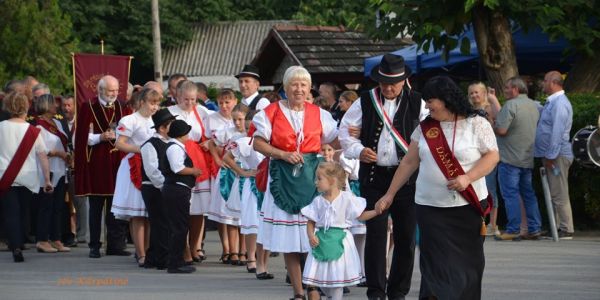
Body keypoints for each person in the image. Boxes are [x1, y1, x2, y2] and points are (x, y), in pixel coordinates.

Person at [376, 76, 499, 300]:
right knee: (435, 265)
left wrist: (467, 177)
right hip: (429, 208)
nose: (427, 106)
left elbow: (492, 156)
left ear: (447, 99)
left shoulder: (476, 123)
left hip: (467, 207)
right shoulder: (426, 128)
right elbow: (409, 162)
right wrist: (390, 194)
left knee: (467, 265)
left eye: (431, 100)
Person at [339, 53, 428, 300]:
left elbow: (431, 135)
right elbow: (345, 132)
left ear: (403, 81)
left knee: (406, 237)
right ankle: (376, 291)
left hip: (408, 180)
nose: (388, 88)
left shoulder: (419, 102)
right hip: (375, 178)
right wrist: (358, 150)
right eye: (384, 83)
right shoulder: (365, 101)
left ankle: (398, 292)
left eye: (393, 83)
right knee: (376, 235)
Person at [252, 65, 338, 300]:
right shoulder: (270, 112)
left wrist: (331, 152)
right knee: (290, 238)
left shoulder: (320, 114)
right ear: (285, 88)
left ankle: (312, 285)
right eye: (294, 84)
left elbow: (334, 139)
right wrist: (282, 154)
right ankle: (299, 290)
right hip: (282, 174)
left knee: (314, 234)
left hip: (313, 177)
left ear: (309, 88)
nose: (299, 89)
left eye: (303, 85)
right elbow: (257, 143)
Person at [302, 162, 379, 300]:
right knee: (320, 278)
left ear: (332, 181)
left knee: (337, 279)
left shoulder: (347, 198)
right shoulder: (318, 201)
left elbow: (360, 215)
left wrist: (376, 211)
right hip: (321, 241)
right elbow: (311, 221)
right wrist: (310, 236)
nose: (316, 182)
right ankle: (329, 296)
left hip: (341, 242)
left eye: (319, 179)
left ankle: (335, 297)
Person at [74, 75, 130, 259]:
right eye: (110, 90)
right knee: (96, 207)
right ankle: (94, 246)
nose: (114, 94)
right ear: (100, 90)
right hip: (96, 163)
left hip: (116, 163)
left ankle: (116, 245)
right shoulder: (87, 107)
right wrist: (100, 138)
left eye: (116, 90)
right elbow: (80, 138)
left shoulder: (122, 107)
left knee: (116, 207)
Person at [111, 88, 161, 266]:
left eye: (157, 103)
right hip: (134, 166)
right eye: (152, 103)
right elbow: (120, 143)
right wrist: (142, 149)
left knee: (148, 213)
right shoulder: (130, 120)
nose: (155, 107)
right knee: (137, 212)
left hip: (151, 166)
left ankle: (148, 251)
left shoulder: (155, 120)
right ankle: (140, 254)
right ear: (141, 102)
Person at [0, 92, 53, 262]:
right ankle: (19, 242)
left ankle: (15, 245)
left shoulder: (0, 127)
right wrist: (47, 180)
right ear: (27, 107)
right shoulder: (33, 131)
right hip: (28, 177)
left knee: (11, 213)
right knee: (23, 212)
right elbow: (43, 156)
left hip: (4, 176)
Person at [167, 80, 212, 263]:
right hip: (180, 156)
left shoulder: (202, 111)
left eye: (193, 99)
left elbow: (212, 133)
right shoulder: (170, 113)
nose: (190, 103)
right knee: (183, 208)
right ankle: (183, 248)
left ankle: (195, 247)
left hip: (198, 158)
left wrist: (209, 142)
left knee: (198, 210)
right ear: (178, 96)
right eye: (186, 99)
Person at [493, 77, 542, 241]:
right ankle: (534, 228)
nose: (505, 90)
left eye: (507, 88)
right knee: (528, 194)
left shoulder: (511, 105)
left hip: (509, 158)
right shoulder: (533, 105)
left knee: (511, 194)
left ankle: (513, 229)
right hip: (526, 158)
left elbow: (501, 130)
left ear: (515, 89)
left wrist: (490, 123)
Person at [206, 89, 245, 265]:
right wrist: (216, 159)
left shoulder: (251, 131)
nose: (237, 122)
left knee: (244, 215)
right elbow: (211, 143)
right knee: (229, 215)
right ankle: (232, 251)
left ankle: (244, 250)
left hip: (245, 174)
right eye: (235, 119)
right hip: (229, 173)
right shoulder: (227, 130)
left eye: (240, 119)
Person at [535, 71, 574, 239]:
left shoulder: (559, 104)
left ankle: (565, 229)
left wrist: (551, 156)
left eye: (544, 81)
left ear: (552, 82)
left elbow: (557, 132)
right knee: (555, 191)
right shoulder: (554, 102)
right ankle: (557, 227)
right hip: (553, 155)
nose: (542, 84)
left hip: (556, 156)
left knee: (559, 192)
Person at [163, 120, 202, 273]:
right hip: (176, 189)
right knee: (179, 227)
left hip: (177, 190)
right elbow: (177, 168)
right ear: (181, 134)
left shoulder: (176, 146)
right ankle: (174, 263)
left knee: (179, 226)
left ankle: (177, 259)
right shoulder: (174, 148)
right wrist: (193, 171)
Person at [33, 94, 71, 253]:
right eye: (53, 104)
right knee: (46, 206)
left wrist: (68, 154)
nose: (57, 106)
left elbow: (65, 142)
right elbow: (40, 150)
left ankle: (56, 238)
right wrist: (58, 153)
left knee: (58, 206)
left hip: (61, 169)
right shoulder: (38, 126)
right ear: (46, 106)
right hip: (48, 171)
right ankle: (42, 239)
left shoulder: (57, 122)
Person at [140, 108, 177, 270]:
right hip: (154, 188)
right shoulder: (149, 145)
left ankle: (153, 257)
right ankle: (161, 257)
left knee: (163, 222)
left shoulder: (169, 143)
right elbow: (152, 170)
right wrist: (165, 186)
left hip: (164, 188)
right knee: (161, 223)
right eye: (171, 125)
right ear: (162, 128)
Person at [468, 82, 502, 236]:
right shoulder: (468, 111)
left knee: (490, 189)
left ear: (483, 93)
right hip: (473, 156)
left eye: (477, 92)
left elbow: (501, 117)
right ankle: (481, 220)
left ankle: (492, 224)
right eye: (471, 93)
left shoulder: (489, 108)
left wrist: (493, 99)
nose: (474, 95)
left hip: (488, 155)